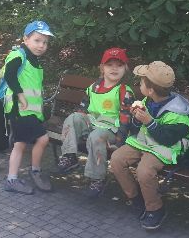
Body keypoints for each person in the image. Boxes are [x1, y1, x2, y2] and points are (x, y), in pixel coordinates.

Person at [109, 61, 189, 230]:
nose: (139, 84)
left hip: (165, 148)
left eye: (141, 82)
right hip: (145, 142)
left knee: (144, 171)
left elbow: (167, 139)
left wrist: (149, 121)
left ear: (150, 90)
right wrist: (137, 118)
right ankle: (136, 198)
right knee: (117, 159)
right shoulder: (149, 100)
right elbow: (137, 129)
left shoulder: (179, 113)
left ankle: (155, 208)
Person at [56, 48, 134, 198]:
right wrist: (78, 123)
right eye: (110, 65)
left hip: (110, 130)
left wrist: (119, 143)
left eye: (119, 65)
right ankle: (69, 156)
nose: (114, 68)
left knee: (96, 137)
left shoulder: (124, 91)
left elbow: (126, 119)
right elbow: (83, 108)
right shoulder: (94, 87)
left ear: (125, 69)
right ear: (102, 68)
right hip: (92, 124)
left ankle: (97, 179)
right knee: (73, 117)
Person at [2, 20, 54, 195]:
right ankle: (25, 175)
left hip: (31, 111)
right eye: (37, 40)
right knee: (33, 141)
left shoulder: (33, 59)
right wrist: (20, 95)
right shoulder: (18, 55)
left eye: (45, 42)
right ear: (26, 39)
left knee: (28, 142)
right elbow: (9, 75)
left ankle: (22, 176)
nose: (41, 45)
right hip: (20, 110)